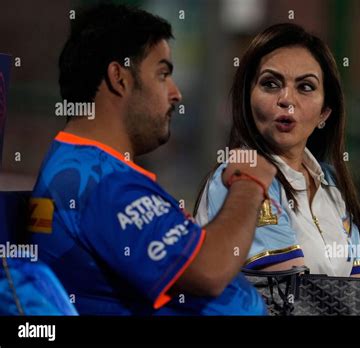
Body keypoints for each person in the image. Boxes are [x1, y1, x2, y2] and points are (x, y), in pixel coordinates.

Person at [27, 4, 276, 315]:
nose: (176, 94)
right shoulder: (101, 183)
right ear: (119, 78)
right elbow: (209, 270)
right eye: (162, 74)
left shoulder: (92, 168)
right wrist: (249, 181)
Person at [194, 23, 360, 315]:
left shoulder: (333, 186)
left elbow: (356, 288)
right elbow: (287, 302)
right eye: (271, 84)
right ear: (247, 99)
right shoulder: (240, 177)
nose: (286, 99)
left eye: (306, 87)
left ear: (325, 112)